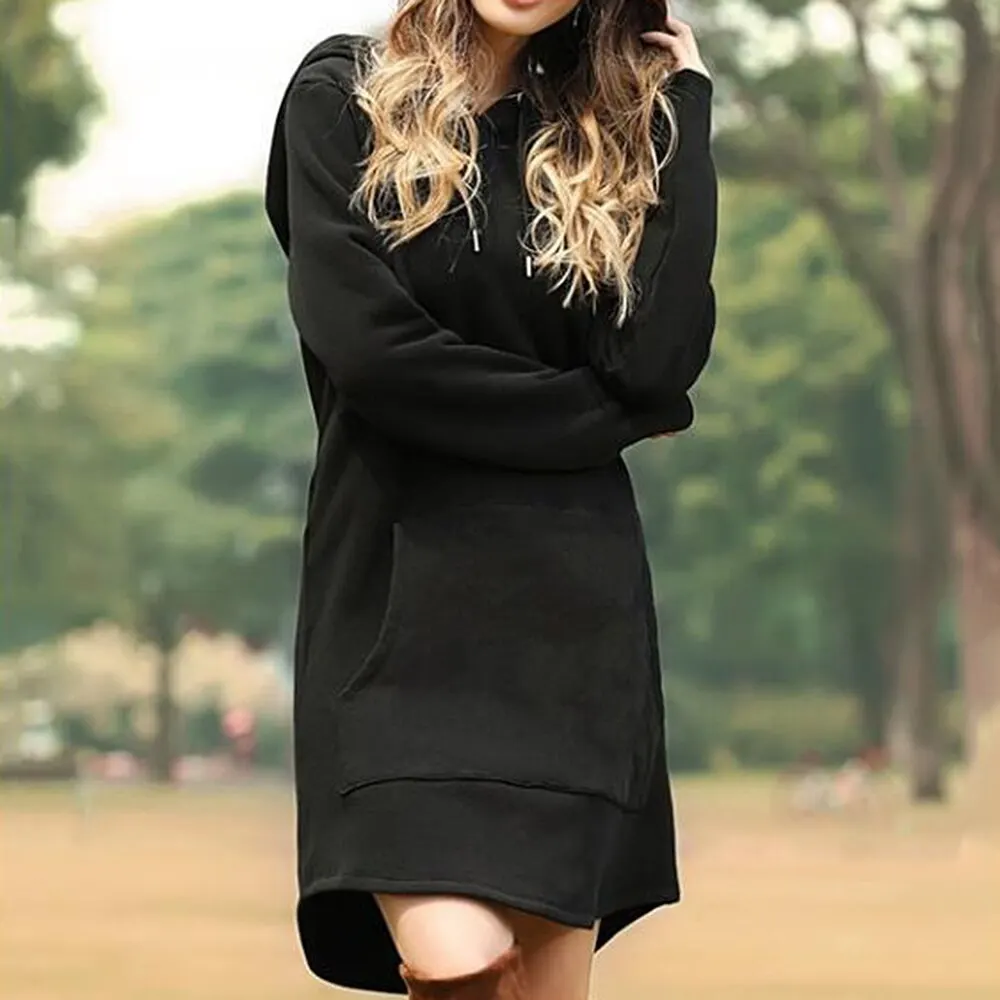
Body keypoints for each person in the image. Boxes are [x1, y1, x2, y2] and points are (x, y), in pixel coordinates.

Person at [264, 1, 716, 996]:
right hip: (393, 623)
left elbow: (656, 363)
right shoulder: (341, 98)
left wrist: (686, 112)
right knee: (458, 966)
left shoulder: (606, 136)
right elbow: (377, 360)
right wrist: (594, 420)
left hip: (571, 635)